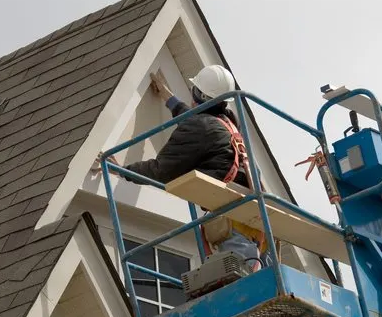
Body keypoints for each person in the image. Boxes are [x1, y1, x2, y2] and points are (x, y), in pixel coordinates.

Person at [100, 65, 272, 272]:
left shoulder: (201, 128)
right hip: (255, 226)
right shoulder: (228, 124)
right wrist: (168, 97)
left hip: (233, 229)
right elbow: (194, 120)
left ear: (197, 94)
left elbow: (161, 170)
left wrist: (120, 170)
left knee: (242, 285)